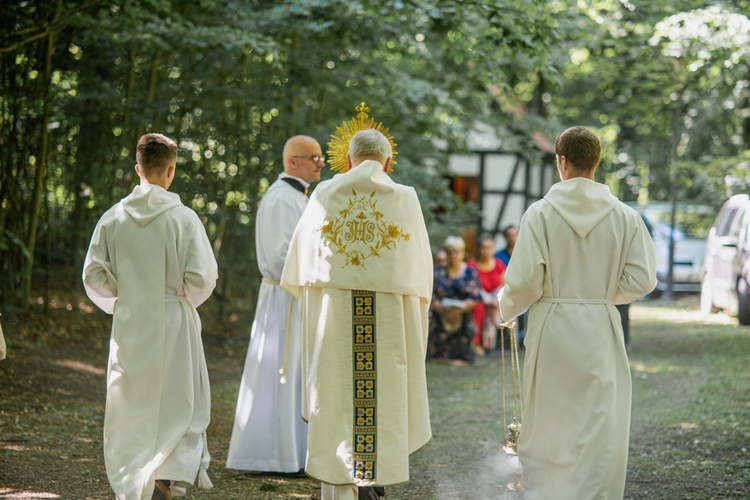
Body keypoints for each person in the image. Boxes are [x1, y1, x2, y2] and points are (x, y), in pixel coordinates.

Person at [497, 126, 657, 499]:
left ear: (562, 161)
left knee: (551, 422)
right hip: (600, 326)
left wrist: (504, 307)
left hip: (553, 327)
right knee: (599, 426)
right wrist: (600, 296)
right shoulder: (625, 217)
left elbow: (525, 284)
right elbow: (643, 279)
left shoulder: (539, 214)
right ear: (597, 162)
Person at [281, 129, 433, 500]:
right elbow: (421, 273)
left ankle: (344, 484)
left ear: (347, 161)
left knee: (334, 395)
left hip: (332, 319)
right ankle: (372, 478)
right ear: (388, 162)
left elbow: (298, 268)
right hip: (387, 322)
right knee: (382, 394)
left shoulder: (324, 194)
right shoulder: (405, 198)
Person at [82, 133, 218, 500]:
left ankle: (134, 476)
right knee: (176, 399)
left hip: (131, 319)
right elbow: (203, 278)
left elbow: (92, 274)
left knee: (133, 397)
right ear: (171, 170)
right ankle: (165, 477)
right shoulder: (184, 219)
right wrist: (181, 298)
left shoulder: (114, 217)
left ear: (137, 169)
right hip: (174, 317)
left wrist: (124, 299)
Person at [226, 135, 324, 474]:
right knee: (282, 373)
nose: (320, 163)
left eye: (320, 157)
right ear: (292, 161)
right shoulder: (282, 198)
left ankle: (293, 454)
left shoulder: (299, 197)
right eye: (314, 157)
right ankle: (275, 455)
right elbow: (283, 256)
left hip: (297, 295)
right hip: (286, 298)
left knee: (294, 374)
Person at [428, 236, 482, 365]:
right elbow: (431, 294)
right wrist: (443, 311)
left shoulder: (470, 272)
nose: (453, 255)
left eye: (456, 251)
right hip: (440, 315)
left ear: (463, 253)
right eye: (450, 252)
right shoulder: (437, 272)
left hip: (462, 316)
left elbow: (476, 296)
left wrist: (456, 312)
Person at [467, 234, 506, 354]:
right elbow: (471, 287)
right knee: (479, 308)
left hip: (495, 299)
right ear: (478, 249)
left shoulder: (499, 265)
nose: (486, 251)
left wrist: (495, 299)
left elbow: (503, 286)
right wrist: (485, 299)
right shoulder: (471, 265)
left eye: (489, 248)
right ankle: (476, 343)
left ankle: (494, 344)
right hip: (478, 298)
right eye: (483, 248)